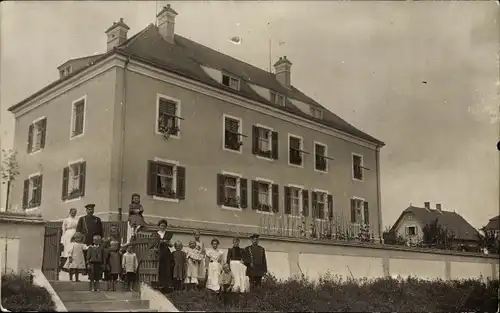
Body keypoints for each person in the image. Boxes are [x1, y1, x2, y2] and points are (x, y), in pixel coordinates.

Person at [76, 203, 104, 273]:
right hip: (85, 239)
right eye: (89, 209)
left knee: (94, 254)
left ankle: (93, 270)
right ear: (86, 210)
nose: (90, 210)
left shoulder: (97, 219)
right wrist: (79, 239)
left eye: (92, 209)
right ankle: (84, 269)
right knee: (85, 254)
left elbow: (100, 231)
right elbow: (78, 231)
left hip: (95, 240)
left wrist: (100, 239)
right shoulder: (82, 219)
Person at [150, 219, 174, 292]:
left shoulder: (168, 234)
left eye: (164, 225)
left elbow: (171, 245)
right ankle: (157, 284)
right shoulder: (155, 234)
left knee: (166, 269)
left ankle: (166, 285)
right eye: (161, 225)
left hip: (166, 253)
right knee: (158, 268)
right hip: (157, 253)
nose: (162, 227)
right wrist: (158, 242)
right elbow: (152, 244)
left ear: (166, 226)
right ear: (159, 226)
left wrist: (165, 242)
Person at [60, 208, 78, 273]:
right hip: (68, 235)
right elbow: (63, 229)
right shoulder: (66, 220)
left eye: (75, 212)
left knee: (73, 250)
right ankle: (65, 266)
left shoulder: (77, 220)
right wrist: (62, 239)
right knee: (68, 250)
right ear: (70, 212)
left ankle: (71, 266)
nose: (74, 213)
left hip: (75, 235)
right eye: (72, 212)